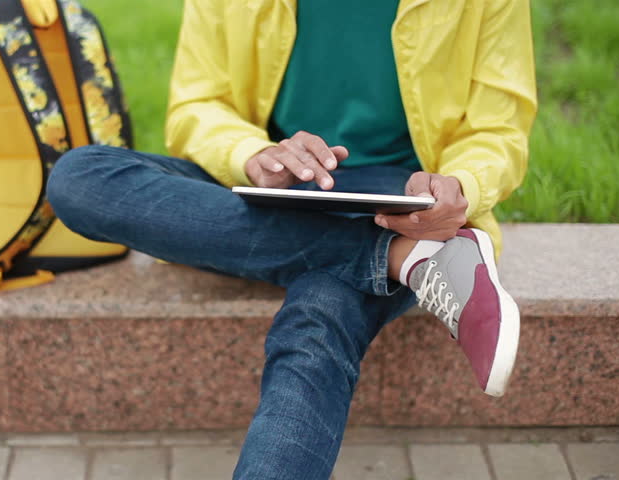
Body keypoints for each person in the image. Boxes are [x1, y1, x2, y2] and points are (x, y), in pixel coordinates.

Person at [46, 0, 537, 477]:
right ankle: (400, 257)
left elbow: (498, 129)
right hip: (269, 186)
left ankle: (397, 248)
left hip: (405, 201)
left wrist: (459, 187)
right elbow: (198, 104)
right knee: (79, 176)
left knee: (320, 316)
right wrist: (254, 154)